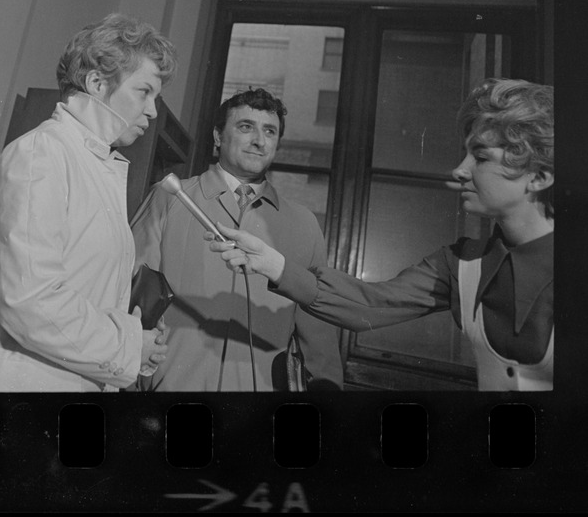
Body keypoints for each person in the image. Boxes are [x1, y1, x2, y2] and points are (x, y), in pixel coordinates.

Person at [210, 78, 554, 392]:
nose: (459, 170)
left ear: (538, 177)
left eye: (479, 156)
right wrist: (274, 264)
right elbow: (370, 305)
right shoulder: (461, 264)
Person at [0, 14, 176, 392]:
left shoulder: (95, 166)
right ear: (96, 83)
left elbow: (78, 289)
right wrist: (126, 346)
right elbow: (29, 300)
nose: (153, 111)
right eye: (144, 92)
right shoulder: (41, 154)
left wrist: (135, 331)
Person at [131, 88, 344, 391]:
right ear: (218, 137)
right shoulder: (169, 198)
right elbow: (130, 293)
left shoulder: (305, 224)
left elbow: (318, 332)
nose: (259, 140)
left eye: (269, 131)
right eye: (246, 127)